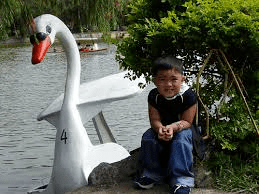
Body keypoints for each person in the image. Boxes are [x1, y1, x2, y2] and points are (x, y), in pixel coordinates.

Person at [135, 56, 197, 194]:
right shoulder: (154, 96)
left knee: (181, 139)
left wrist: (173, 128)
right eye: (162, 79)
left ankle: (182, 180)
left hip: (184, 129)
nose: (168, 84)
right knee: (148, 136)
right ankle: (151, 174)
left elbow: (187, 121)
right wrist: (160, 129)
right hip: (163, 129)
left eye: (174, 79)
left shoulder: (188, 96)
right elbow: (154, 119)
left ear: (183, 79)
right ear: (155, 81)